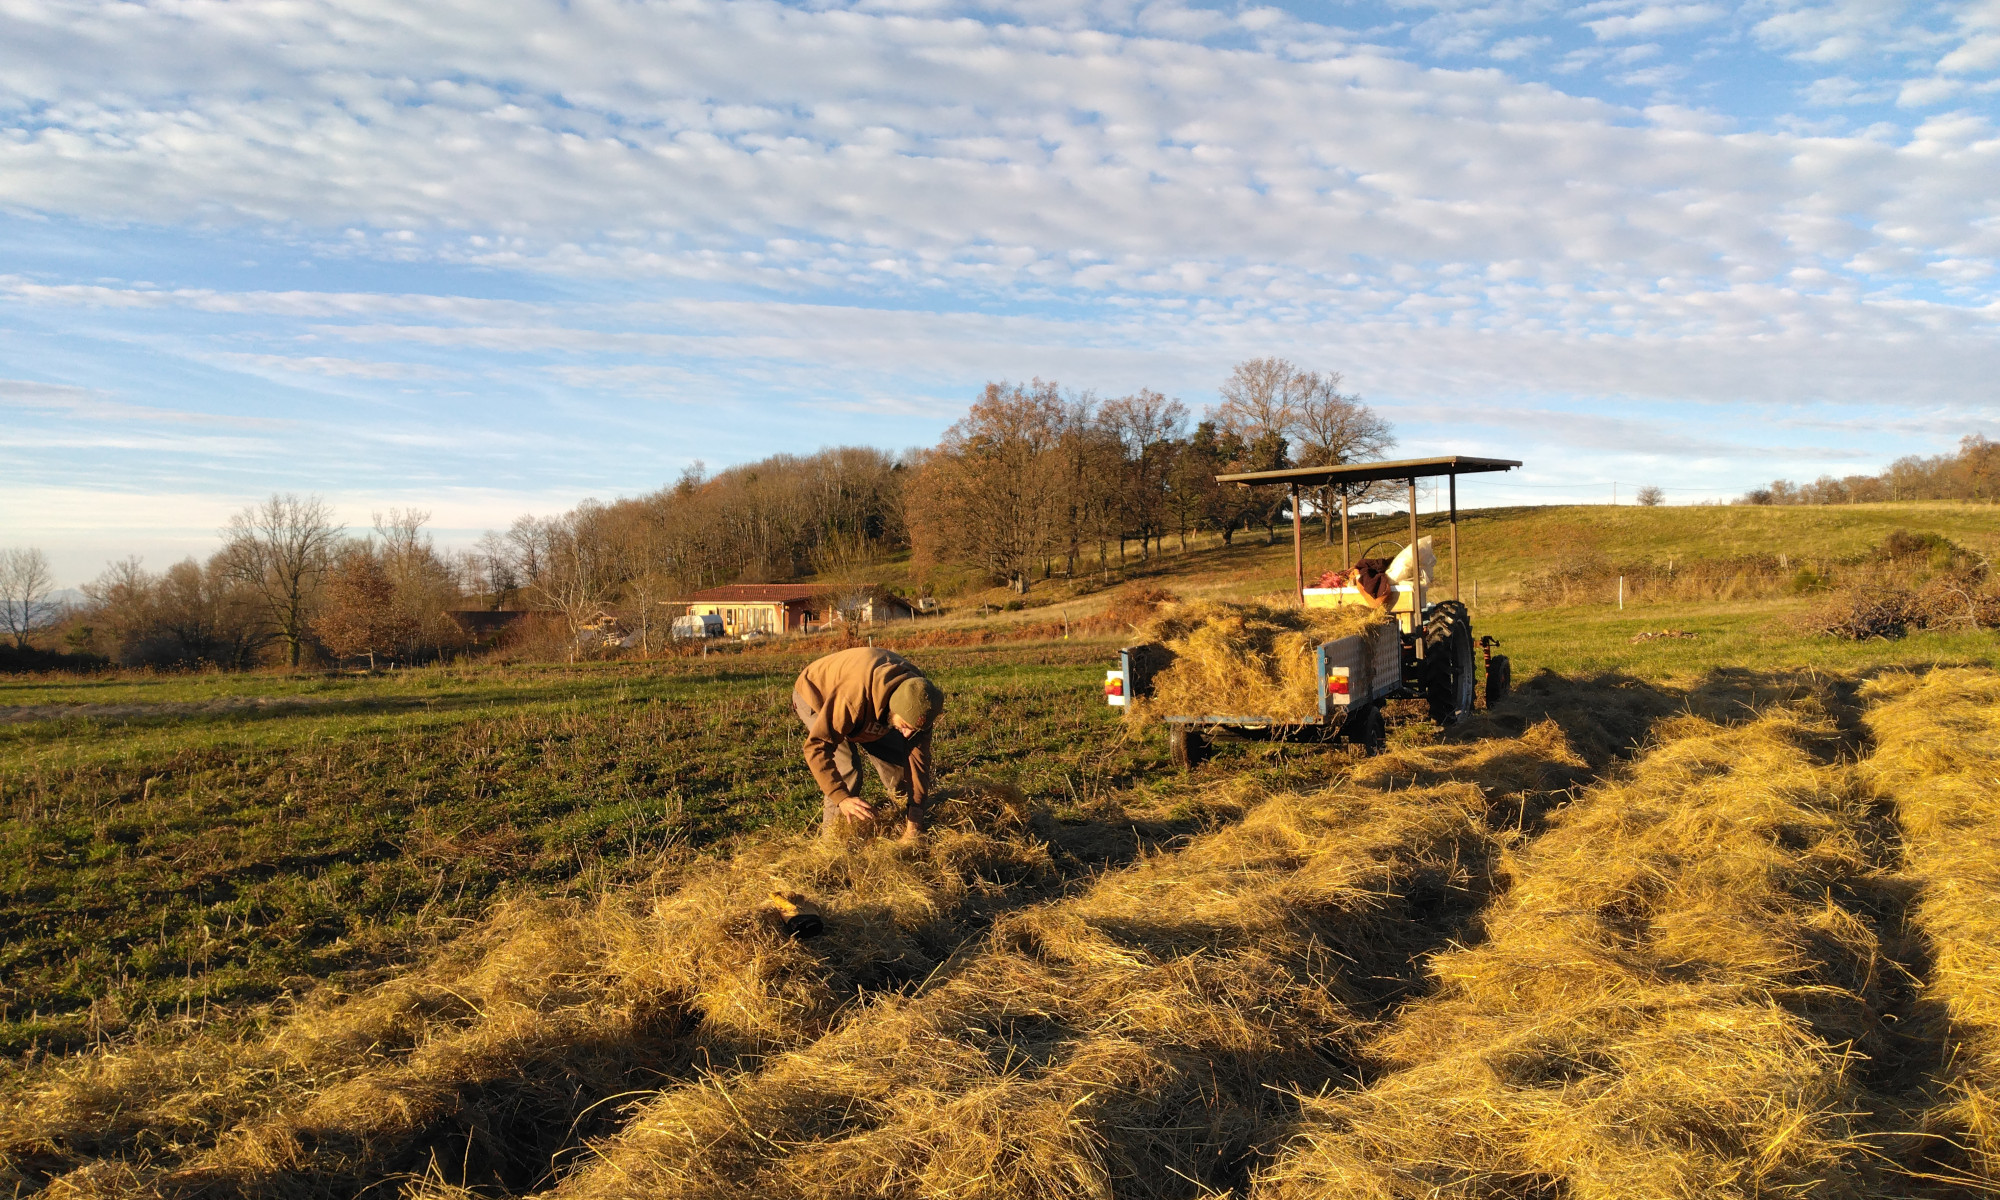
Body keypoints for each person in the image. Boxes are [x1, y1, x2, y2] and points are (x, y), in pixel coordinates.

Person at [792, 646, 945, 843]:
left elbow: (917, 760)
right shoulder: (853, 698)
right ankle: (832, 844)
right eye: (906, 726)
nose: (908, 734)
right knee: (848, 770)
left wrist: (915, 819)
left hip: (871, 708)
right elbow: (817, 746)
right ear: (893, 708)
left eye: (913, 730)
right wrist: (841, 798)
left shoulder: (921, 701)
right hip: (818, 694)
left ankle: (899, 820)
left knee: (899, 766)